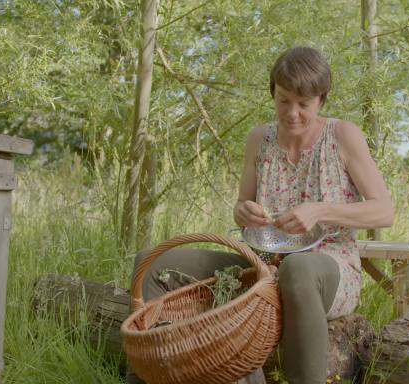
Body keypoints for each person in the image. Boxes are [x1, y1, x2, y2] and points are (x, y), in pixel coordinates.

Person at [127, 46, 393, 384]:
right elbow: (242, 208)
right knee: (152, 262)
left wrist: (321, 210)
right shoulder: (259, 139)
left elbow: (384, 211)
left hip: (327, 269)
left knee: (297, 268)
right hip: (261, 266)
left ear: (321, 100)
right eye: (283, 100)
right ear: (273, 93)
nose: (292, 113)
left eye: (304, 104)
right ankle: (157, 370)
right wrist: (244, 212)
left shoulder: (342, 136)